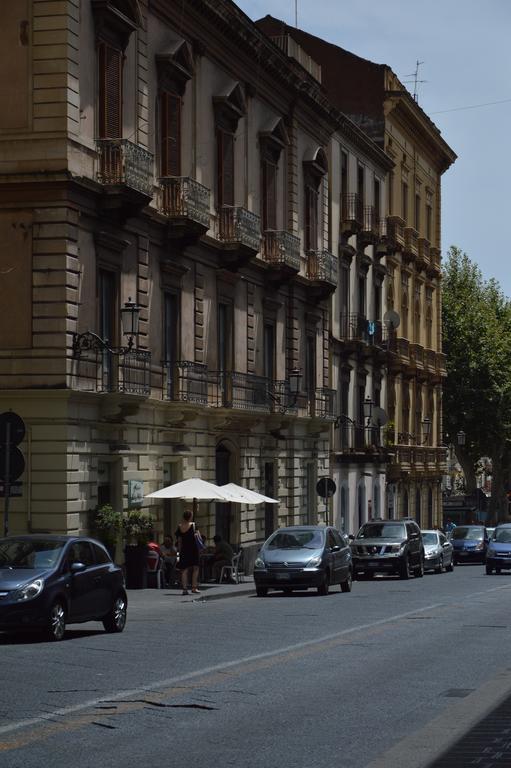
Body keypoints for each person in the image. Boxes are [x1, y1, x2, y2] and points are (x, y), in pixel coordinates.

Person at [175, 510, 201, 595]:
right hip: (193, 549)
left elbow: (179, 541)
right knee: (196, 568)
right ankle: (194, 587)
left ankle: (185, 589)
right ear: (190, 517)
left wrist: (178, 551)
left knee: (184, 570)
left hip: (184, 550)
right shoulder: (193, 525)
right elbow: (199, 537)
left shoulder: (180, 526)